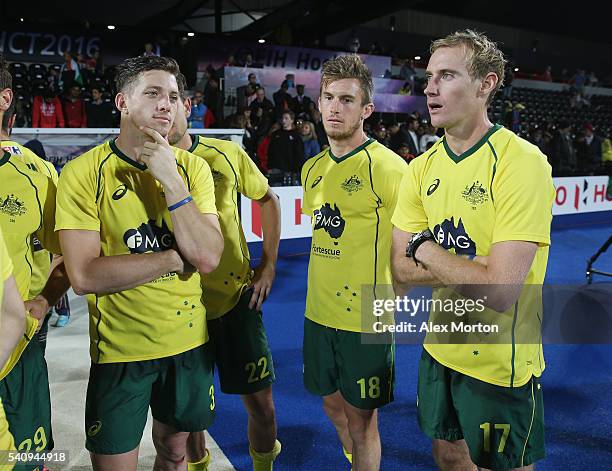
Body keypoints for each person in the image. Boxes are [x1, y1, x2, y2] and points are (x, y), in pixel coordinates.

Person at [391, 29, 554, 471]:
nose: (429, 88)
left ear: (487, 84)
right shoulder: (419, 168)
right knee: (447, 454)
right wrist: (473, 266)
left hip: (501, 359)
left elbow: (500, 293)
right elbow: (399, 272)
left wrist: (423, 246)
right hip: (440, 346)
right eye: (428, 76)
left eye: (446, 75)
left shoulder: (522, 163)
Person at [55, 55, 224, 470]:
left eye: (172, 95)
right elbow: (84, 275)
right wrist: (170, 257)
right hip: (120, 353)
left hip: (187, 343)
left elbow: (206, 256)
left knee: (174, 452)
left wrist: (170, 179)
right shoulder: (82, 174)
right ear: (122, 102)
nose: (166, 104)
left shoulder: (193, 170)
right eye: (152, 93)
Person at [168, 76, 282, 471]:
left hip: (235, 301)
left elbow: (268, 199)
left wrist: (268, 264)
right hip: (176, 307)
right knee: (190, 417)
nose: (166, 109)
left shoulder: (225, 154)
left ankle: (264, 465)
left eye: (174, 99)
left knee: (263, 409)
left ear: (189, 105)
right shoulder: (138, 166)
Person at [300, 55, 407, 471]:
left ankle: (362, 457)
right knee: (330, 402)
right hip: (317, 311)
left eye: (346, 99)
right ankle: (353, 457)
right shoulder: (312, 168)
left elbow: (410, 246)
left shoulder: (390, 168)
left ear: (366, 110)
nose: (333, 107)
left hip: (366, 315)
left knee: (364, 423)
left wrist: (388, 305)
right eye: (327, 97)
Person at [0, 52, 71, 467]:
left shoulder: (38, 175)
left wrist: (43, 303)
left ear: (5, 98)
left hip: (19, 345)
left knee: (25, 456)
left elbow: (69, 258)